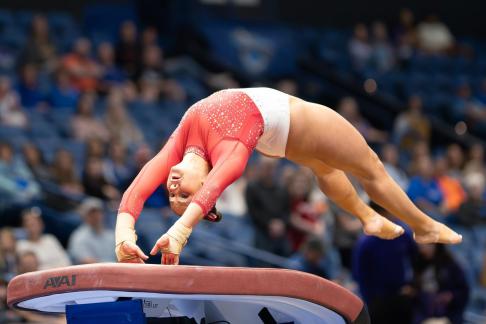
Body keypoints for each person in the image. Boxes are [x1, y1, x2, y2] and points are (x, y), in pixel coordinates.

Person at [115, 88, 462, 265]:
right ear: (204, 188)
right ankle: (424, 226)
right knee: (369, 165)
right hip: (299, 122)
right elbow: (216, 186)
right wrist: (179, 233)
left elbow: (140, 184)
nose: (173, 191)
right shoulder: (228, 153)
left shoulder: (182, 145)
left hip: (279, 134)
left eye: (172, 196)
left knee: (324, 167)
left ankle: (368, 217)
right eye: (182, 198)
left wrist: (123, 237)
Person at [352, 202, 417, 324]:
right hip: (378, 301)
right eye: (391, 210)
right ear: (381, 214)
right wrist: (371, 300)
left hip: (402, 296)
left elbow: (416, 259)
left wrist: (413, 285)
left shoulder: (403, 234)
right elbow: (359, 274)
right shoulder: (366, 243)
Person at [245, 157, 291, 256]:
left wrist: (281, 223)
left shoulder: (282, 190)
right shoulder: (252, 187)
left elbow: (287, 211)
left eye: (272, 168)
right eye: (266, 167)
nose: (269, 171)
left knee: (287, 253)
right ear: (260, 168)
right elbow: (253, 212)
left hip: (280, 230)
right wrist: (269, 224)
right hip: (259, 229)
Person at [68, 198, 116, 264]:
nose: (95, 216)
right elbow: (85, 261)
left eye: (98, 212)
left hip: (116, 270)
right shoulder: (79, 236)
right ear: (84, 216)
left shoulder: (111, 235)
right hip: (91, 273)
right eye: (91, 213)